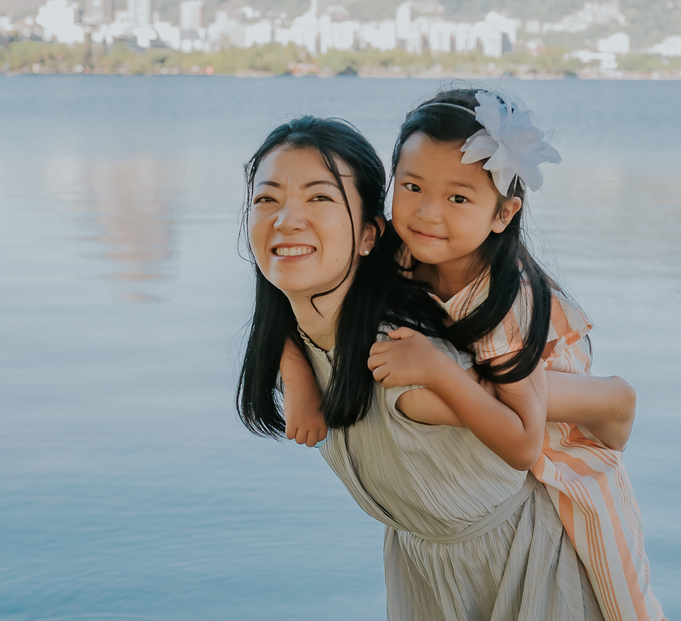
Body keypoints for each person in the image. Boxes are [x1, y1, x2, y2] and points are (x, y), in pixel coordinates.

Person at [237, 116, 604, 620]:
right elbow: (276, 303)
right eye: (266, 198)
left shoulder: (404, 363)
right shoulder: (306, 331)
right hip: (421, 563)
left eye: (319, 197)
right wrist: (295, 371)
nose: (286, 220)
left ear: (370, 234)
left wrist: (618, 402)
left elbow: (547, 415)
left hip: (522, 564)